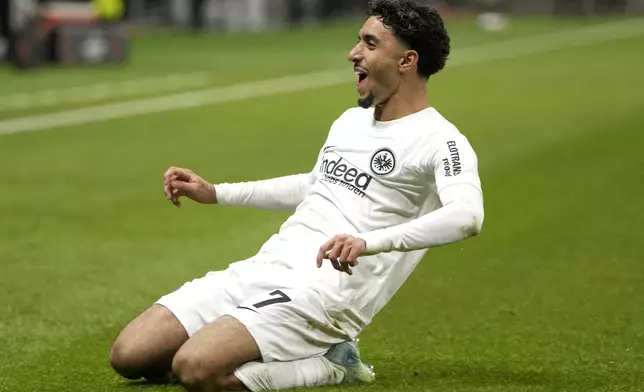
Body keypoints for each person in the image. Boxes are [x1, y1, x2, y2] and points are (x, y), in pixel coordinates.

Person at [109, 0, 484, 391]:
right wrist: (217, 193)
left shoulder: (441, 141)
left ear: (407, 61)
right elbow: (316, 184)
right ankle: (251, 339)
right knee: (130, 354)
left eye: (370, 44)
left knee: (197, 368)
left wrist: (368, 243)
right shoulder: (350, 122)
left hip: (326, 293)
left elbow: (466, 216)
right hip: (270, 264)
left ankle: (333, 363)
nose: (353, 54)